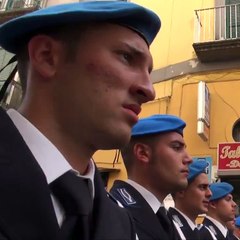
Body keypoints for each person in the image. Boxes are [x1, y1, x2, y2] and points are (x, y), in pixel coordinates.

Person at [0, 1, 160, 239]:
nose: (149, 90)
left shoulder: (121, 225)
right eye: (127, 57)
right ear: (47, 57)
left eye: (149, 71)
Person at [110, 114, 193, 240]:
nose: (189, 159)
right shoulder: (111, 214)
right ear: (142, 153)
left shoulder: (168, 221)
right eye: (176, 147)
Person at [168, 160, 212, 240]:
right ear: (181, 191)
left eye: (209, 187)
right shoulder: (168, 228)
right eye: (202, 187)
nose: (209, 193)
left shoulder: (194, 229)